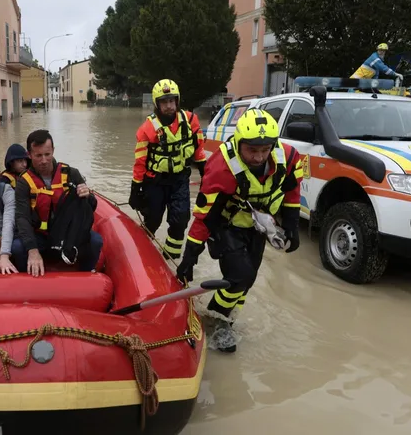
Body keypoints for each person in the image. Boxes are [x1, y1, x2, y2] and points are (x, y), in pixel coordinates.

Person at [176, 109, 304, 354]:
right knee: (240, 275)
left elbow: (292, 192)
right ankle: (217, 319)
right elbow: (204, 216)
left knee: (249, 279)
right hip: (224, 225)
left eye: (265, 150)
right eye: (252, 150)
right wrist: (190, 256)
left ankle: (228, 319)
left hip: (257, 227)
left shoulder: (288, 158)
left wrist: (292, 227)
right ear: (239, 142)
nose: (259, 157)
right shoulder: (222, 167)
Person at [129, 79, 206, 260]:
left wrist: (206, 177)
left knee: (180, 220)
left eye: (172, 101)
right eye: (164, 102)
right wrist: (135, 189)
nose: (169, 106)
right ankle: (141, 254)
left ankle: (169, 260)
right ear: (157, 104)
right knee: (153, 219)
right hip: (155, 181)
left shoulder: (191, 121)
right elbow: (140, 161)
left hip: (179, 180)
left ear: (177, 101)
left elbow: (199, 151)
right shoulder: (147, 129)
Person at [11, 129, 104, 276]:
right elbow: (22, 217)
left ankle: (85, 277)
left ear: (53, 150)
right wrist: (32, 250)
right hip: (40, 236)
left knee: (95, 241)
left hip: (67, 234)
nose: (44, 160)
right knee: (17, 247)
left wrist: (88, 196)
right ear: (29, 155)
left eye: (47, 154)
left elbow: (89, 209)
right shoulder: (24, 182)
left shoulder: (71, 174)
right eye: (38, 155)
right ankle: (28, 282)